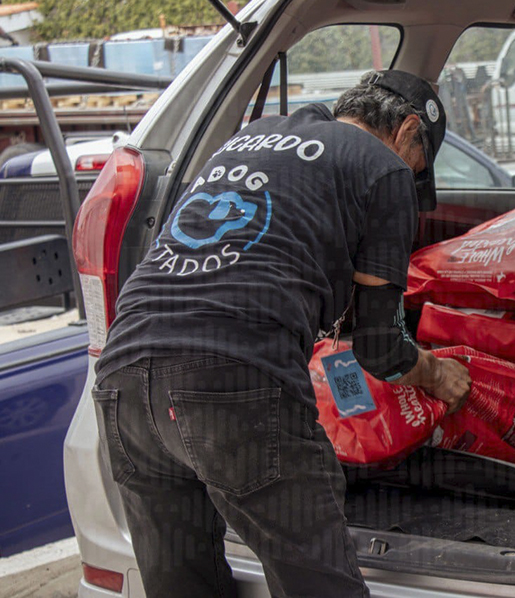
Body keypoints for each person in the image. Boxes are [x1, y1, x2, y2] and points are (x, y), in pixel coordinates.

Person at [92, 70, 471, 598]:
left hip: (121, 379)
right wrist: (435, 373)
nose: (410, 178)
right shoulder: (383, 170)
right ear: (409, 131)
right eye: (418, 167)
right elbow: (379, 348)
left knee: (183, 587)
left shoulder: (251, 137)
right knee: (319, 585)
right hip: (232, 383)